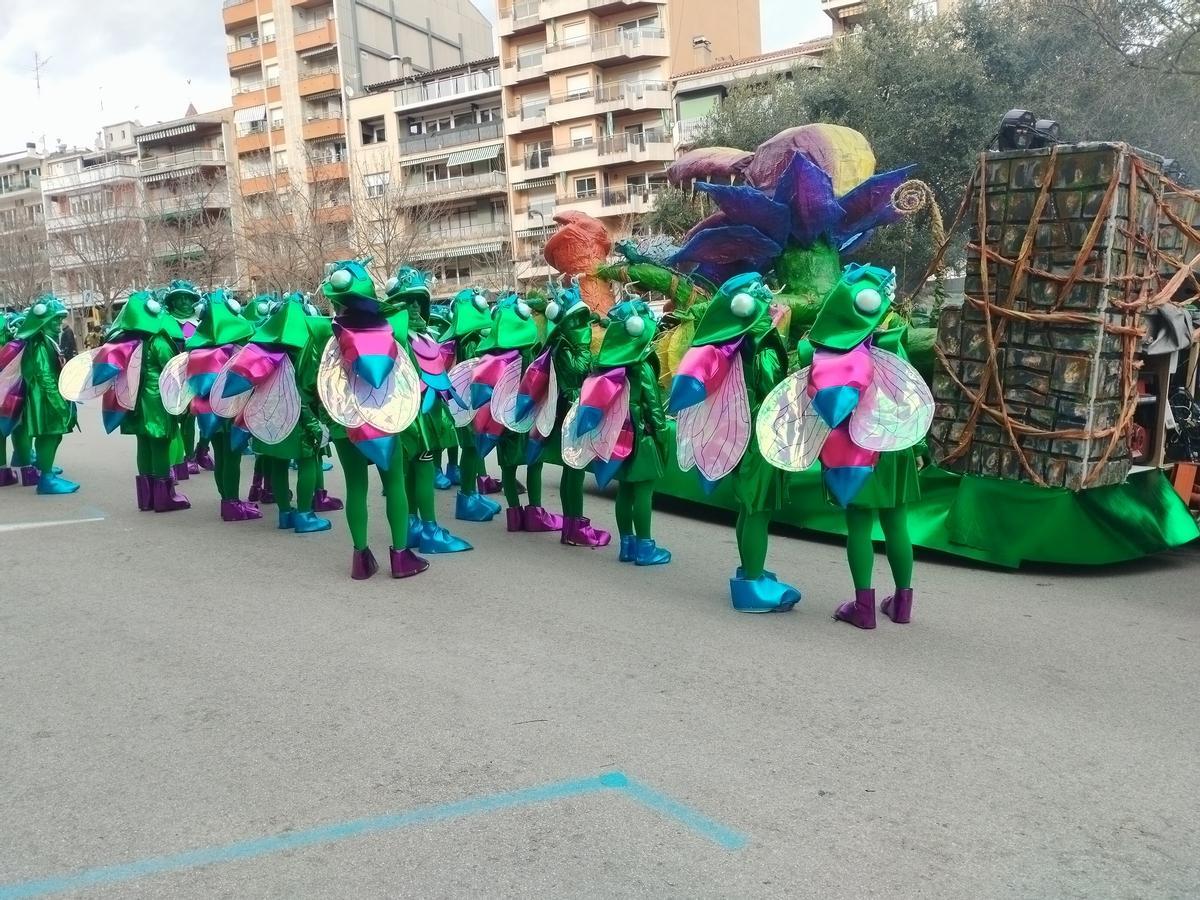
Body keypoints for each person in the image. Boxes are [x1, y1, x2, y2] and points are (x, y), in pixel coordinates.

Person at [757, 264, 932, 629]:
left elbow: (800, 365)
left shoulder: (816, 350)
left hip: (852, 449)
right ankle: (902, 605)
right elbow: (911, 397)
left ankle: (863, 607)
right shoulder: (892, 340)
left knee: (859, 528)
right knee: (897, 524)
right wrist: (921, 446)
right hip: (894, 445)